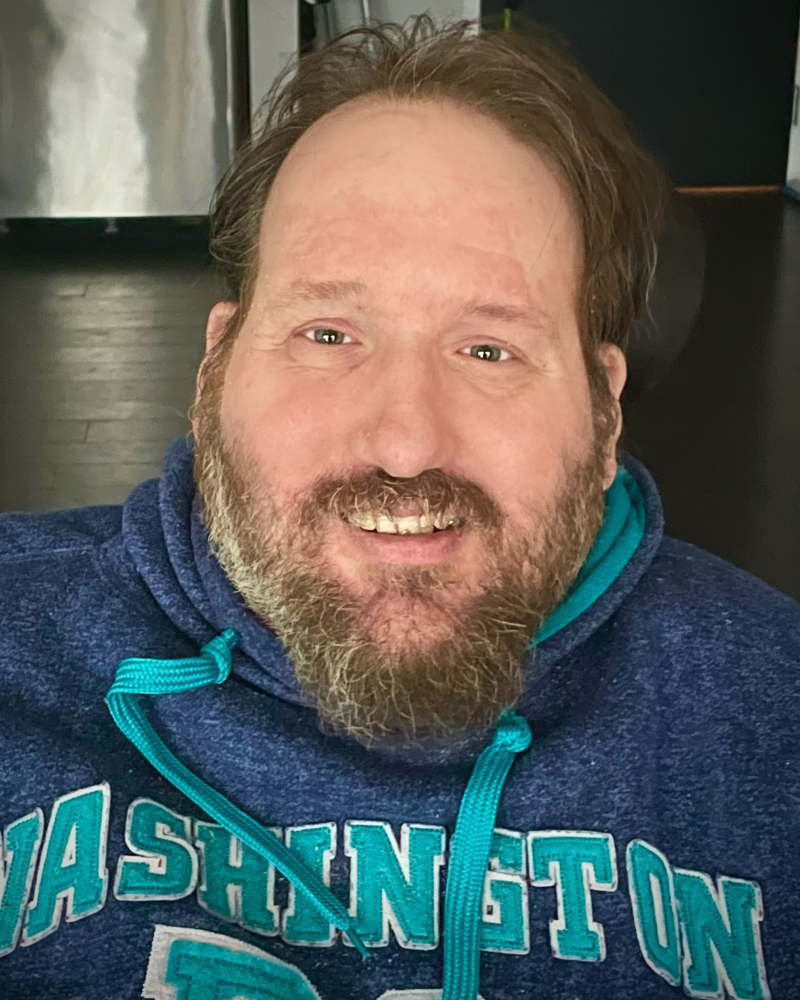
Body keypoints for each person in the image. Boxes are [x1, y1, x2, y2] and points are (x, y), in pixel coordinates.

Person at [0, 15, 796, 1000]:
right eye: (329, 333)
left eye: (488, 349)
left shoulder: (776, 715)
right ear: (215, 370)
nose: (405, 442)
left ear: (602, 416)